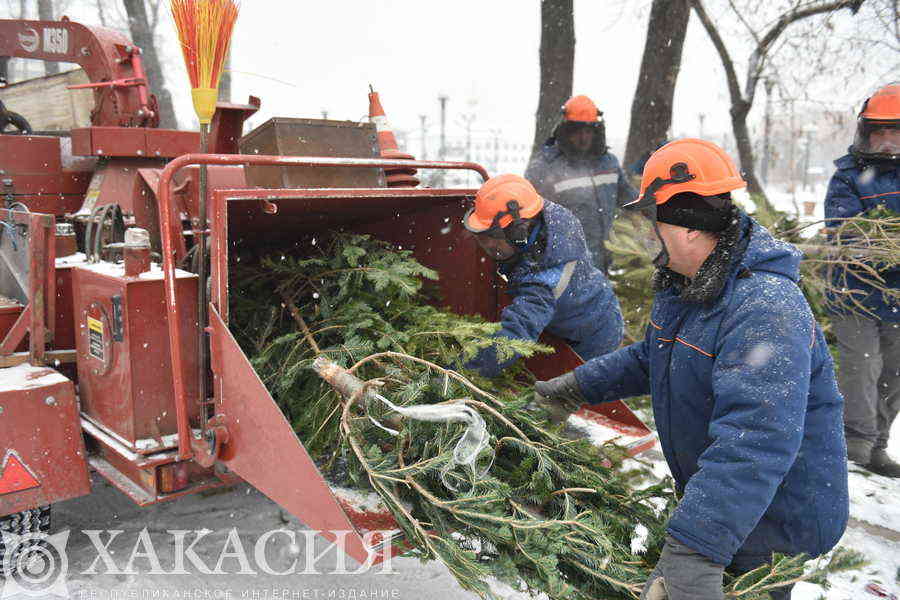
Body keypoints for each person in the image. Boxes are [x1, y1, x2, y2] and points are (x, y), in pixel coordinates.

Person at [532, 139, 849, 600]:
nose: (646, 236)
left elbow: (755, 440)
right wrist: (574, 386)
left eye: (651, 222)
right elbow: (653, 355)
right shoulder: (690, 284)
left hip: (773, 518)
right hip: (736, 505)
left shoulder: (764, 307)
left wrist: (695, 550)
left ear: (689, 227)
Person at [462, 173, 623, 378]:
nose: (486, 246)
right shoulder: (543, 215)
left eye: (491, 238)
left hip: (592, 336)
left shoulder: (546, 278)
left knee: (561, 395)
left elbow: (514, 337)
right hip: (582, 307)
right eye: (480, 237)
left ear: (519, 233)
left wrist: (463, 372)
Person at [824, 83, 900, 478]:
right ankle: (853, 447)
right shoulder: (848, 176)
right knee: (862, 368)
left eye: (895, 132)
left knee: (894, 371)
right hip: (853, 291)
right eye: (879, 133)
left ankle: (878, 446)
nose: (886, 142)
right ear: (866, 133)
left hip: (898, 295)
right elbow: (843, 231)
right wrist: (881, 245)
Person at [525, 95, 638, 273]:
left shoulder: (608, 163)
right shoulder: (546, 166)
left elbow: (632, 200)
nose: (583, 137)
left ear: (597, 131)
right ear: (565, 131)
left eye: (588, 131)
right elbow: (530, 218)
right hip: (563, 265)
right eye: (577, 131)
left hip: (603, 261)